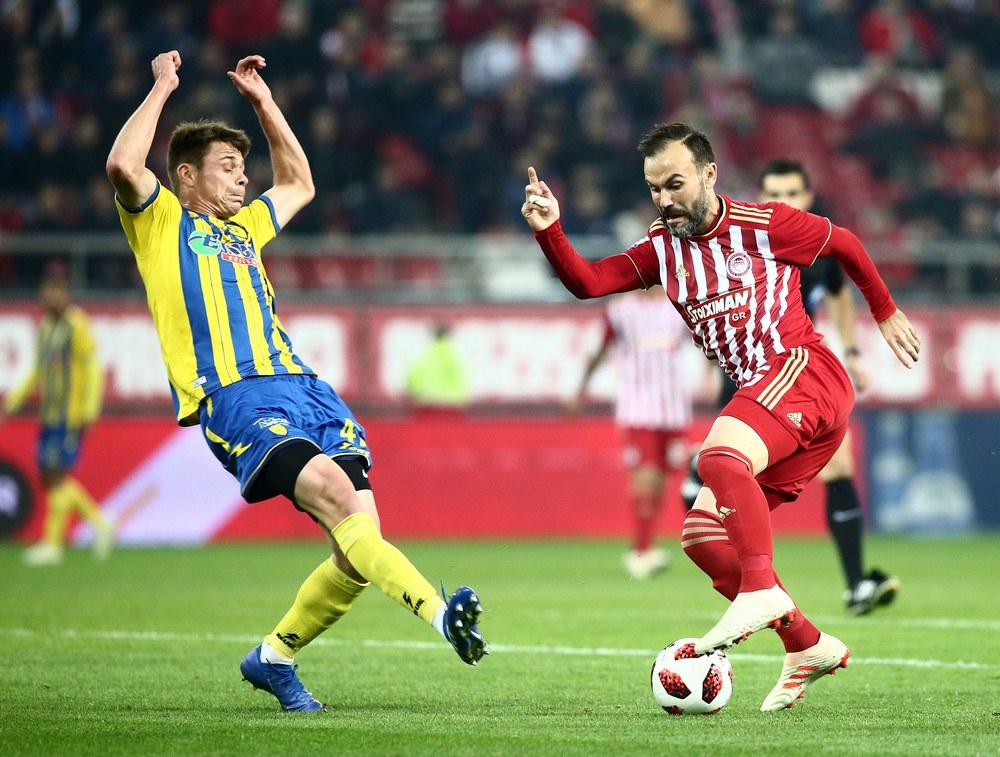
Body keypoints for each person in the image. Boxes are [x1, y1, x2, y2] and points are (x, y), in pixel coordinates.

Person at [105, 50, 487, 714]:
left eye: (242, 167)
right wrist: (162, 86)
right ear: (187, 174)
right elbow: (120, 165)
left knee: (357, 548)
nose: (242, 178)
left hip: (308, 389)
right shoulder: (161, 220)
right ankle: (438, 611)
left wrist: (263, 102)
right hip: (237, 395)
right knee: (342, 503)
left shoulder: (245, 228)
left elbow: (299, 182)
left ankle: (274, 658)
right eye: (228, 166)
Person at [521, 122, 920, 712]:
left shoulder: (764, 223)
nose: (664, 199)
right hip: (772, 398)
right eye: (654, 188)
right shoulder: (663, 249)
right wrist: (550, 229)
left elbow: (845, 243)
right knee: (703, 537)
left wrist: (884, 311)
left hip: (802, 370)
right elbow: (589, 281)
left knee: (717, 457)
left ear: (709, 174)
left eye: (675, 184)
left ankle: (760, 589)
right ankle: (806, 643)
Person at [757, 158, 901, 615]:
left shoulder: (819, 252)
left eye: (792, 194)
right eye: (773, 194)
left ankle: (856, 585)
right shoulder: (748, 246)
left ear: (808, 197)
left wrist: (852, 351)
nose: (783, 203)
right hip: (751, 375)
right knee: (735, 475)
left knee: (838, 464)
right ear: (760, 199)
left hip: (798, 373)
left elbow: (838, 295)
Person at [569, 287, 695, 580]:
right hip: (638, 409)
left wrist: (714, 373)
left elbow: (704, 340)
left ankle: (646, 546)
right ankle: (640, 552)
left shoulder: (678, 305)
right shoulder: (621, 310)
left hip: (673, 409)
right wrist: (581, 389)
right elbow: (601, 349)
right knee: (645, 479)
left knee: (660, 483)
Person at [2, 261, 113, 567]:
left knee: (56, 474)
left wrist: (89, 408)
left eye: (57, 290)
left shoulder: (77, 325)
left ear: (66, 293)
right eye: (47, 290)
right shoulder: (46, 327)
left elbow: (92, 368)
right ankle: (99, 522)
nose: (51, 296)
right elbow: (38, 370)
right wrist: (13, 401)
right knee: (49, 475)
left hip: (69, 413)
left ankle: (55, 543)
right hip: (49, 413)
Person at [404, 322, 470, 409]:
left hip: (427, 402)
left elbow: (412, 379)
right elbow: (464, 380)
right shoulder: (456, 356)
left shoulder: (424, 355)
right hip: (452, 403)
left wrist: (415, 395)